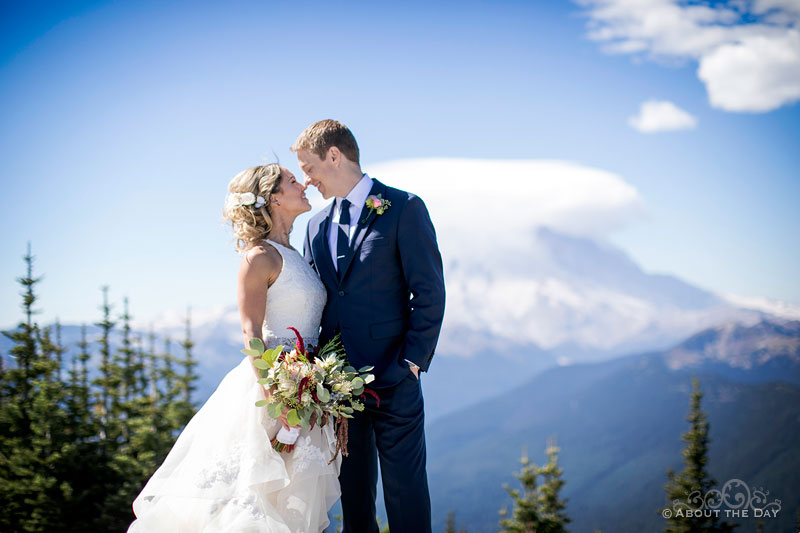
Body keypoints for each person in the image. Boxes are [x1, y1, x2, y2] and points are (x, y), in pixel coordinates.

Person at [128, 163, 341, 533]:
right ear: (274, 197)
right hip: (276, 388)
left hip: (307, 388)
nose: (303, 183)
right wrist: (278, 403)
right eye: (293, 181)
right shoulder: (259, 257)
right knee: (255, 502)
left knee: (294, 505)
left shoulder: (297, 253)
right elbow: (251, 332)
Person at [295, 119, 446, 533]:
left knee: (406, 495)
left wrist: (411, 362)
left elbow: (430, 291)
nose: (306, 181)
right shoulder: (315, 226)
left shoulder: (403, 207)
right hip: (337, 389)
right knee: (354, 498)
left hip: (395, 379)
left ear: (334, 156)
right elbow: (318, 301)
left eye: (309, 168)